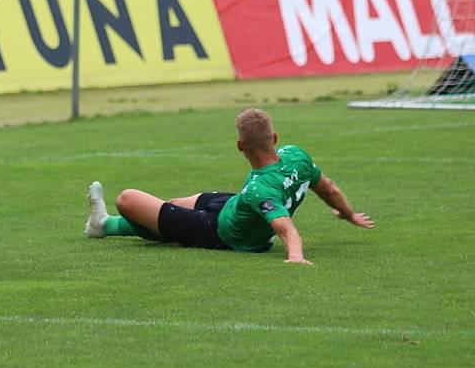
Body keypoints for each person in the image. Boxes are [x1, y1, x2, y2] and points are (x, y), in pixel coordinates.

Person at [84, 108, 374, 264]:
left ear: (239, 146)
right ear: (275, 137)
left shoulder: (261, 190)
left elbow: (285, 228)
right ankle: (102, 225)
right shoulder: (296, 154)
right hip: (234, 205)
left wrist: (295, 256)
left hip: (218, 231)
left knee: (128, 199)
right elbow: (329, 188)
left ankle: (105, 224)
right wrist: (348, 214)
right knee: (170, 205)